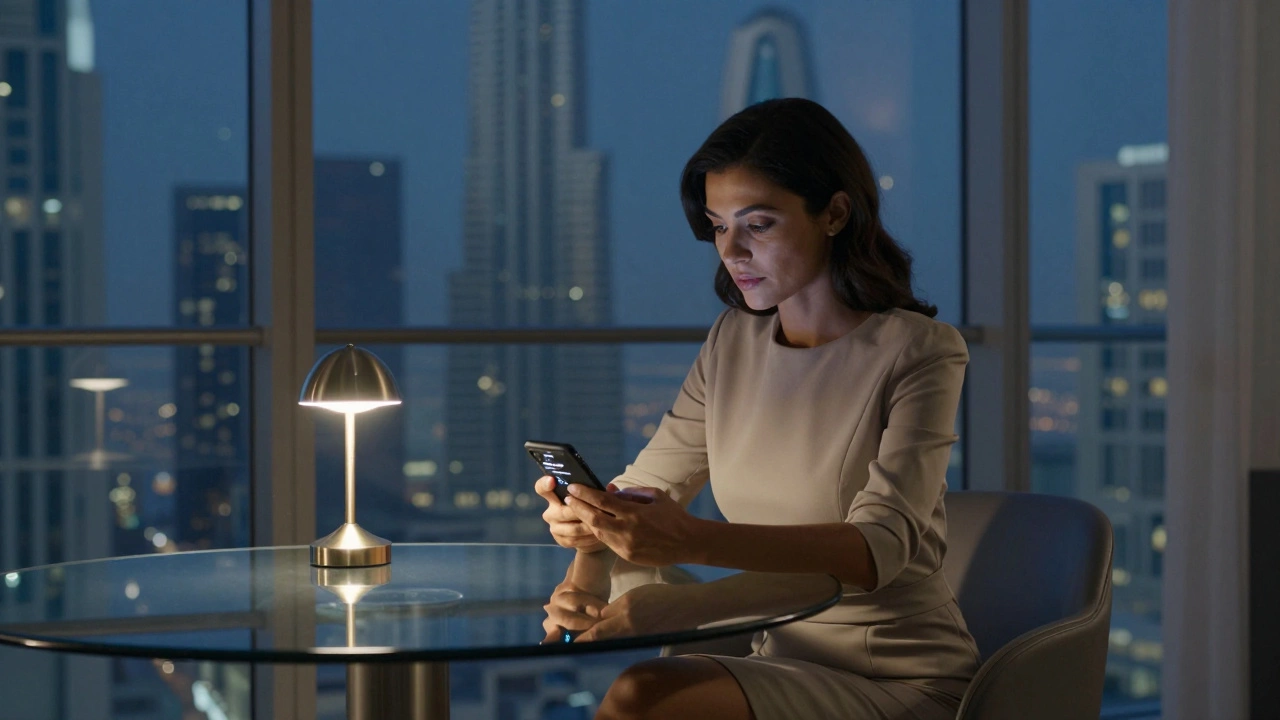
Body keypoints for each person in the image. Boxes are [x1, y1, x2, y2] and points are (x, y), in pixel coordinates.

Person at [535, 97, 980, 720]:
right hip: (775, 658)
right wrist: (589, 533)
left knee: (644, 695)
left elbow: (878, 548)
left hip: (899, 676)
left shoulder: (921, 350)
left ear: (834, 213)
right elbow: (646, 486)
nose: (731, 250)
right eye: (718, 225)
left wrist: (688, 562)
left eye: (759, 224)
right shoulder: (732, 340)